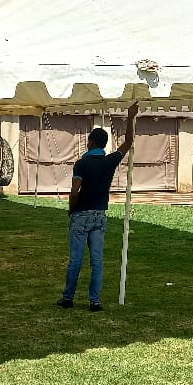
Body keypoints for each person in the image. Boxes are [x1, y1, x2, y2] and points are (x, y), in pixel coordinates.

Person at [56, 102, 139, 312]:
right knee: (97, 261)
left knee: (75, 260)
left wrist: (71, 209)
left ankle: (68, 298)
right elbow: (129, 142)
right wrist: (130, 116)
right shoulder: (109, 161)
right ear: (104, 145)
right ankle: (95, 300)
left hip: (81, 214)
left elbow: (74, 192)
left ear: (90, 142)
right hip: (100, 214)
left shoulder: (81, 164)